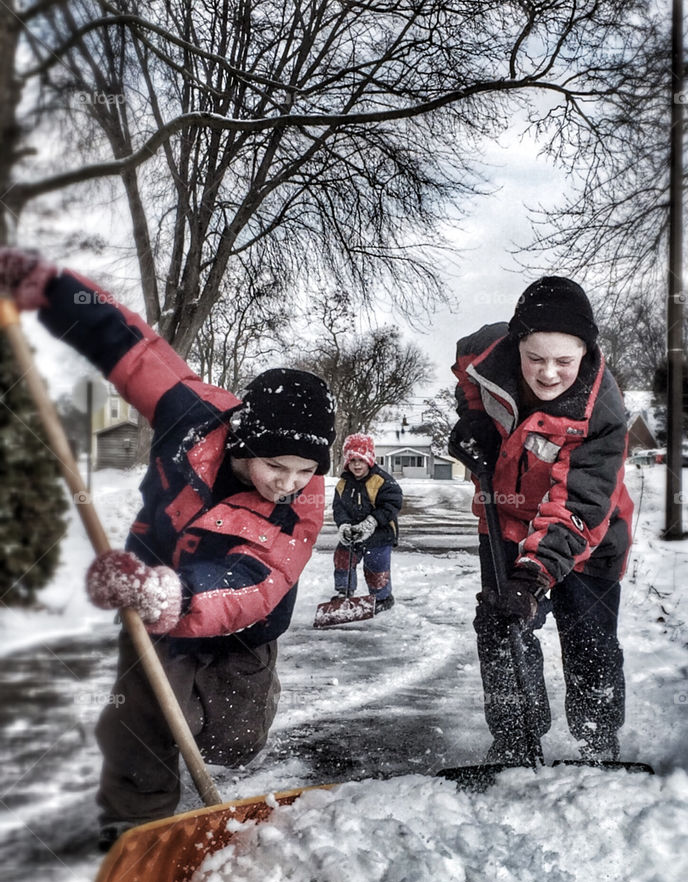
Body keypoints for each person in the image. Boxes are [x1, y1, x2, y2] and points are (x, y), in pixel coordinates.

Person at [0, 248, 335, 849]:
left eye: (305, 469)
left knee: (232, 741)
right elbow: (127, 347)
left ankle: (218, 726)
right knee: (143, 714)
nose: (289, 481)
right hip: (151, 593)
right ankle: (138, 826)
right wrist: (48, 287)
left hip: (241, 628)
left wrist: (175, 594)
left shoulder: (298, 510)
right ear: (242, 439)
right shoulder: (191, 416)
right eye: (276, 465)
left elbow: (251, 586)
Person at [450, 276, 633, 764]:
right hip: (505, 518)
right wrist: (471, 420)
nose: (548, 373)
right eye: (535, 358)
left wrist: (534, 574)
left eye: (564, 361)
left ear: (586, 351)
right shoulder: (486, 354)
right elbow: (469, 376)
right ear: (516, 345)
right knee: (500, 622)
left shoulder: (602, 413)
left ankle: (597, 741)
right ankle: (514, 739)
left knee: (588, 634)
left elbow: (579, 502)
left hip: (588, 532)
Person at [332, 433, 403, 612]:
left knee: (375, 565)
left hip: (380, 534)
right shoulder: (343, 484)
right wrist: (344, 525)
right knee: (343, 557)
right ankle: (344, 592)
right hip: (353, 533)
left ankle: (382, 597)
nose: (357, 464)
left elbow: (392, 503)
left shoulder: (382, 481)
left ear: (369, 459)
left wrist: (371, 522)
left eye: (361, 460)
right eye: (353, 460)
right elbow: (339, 508)